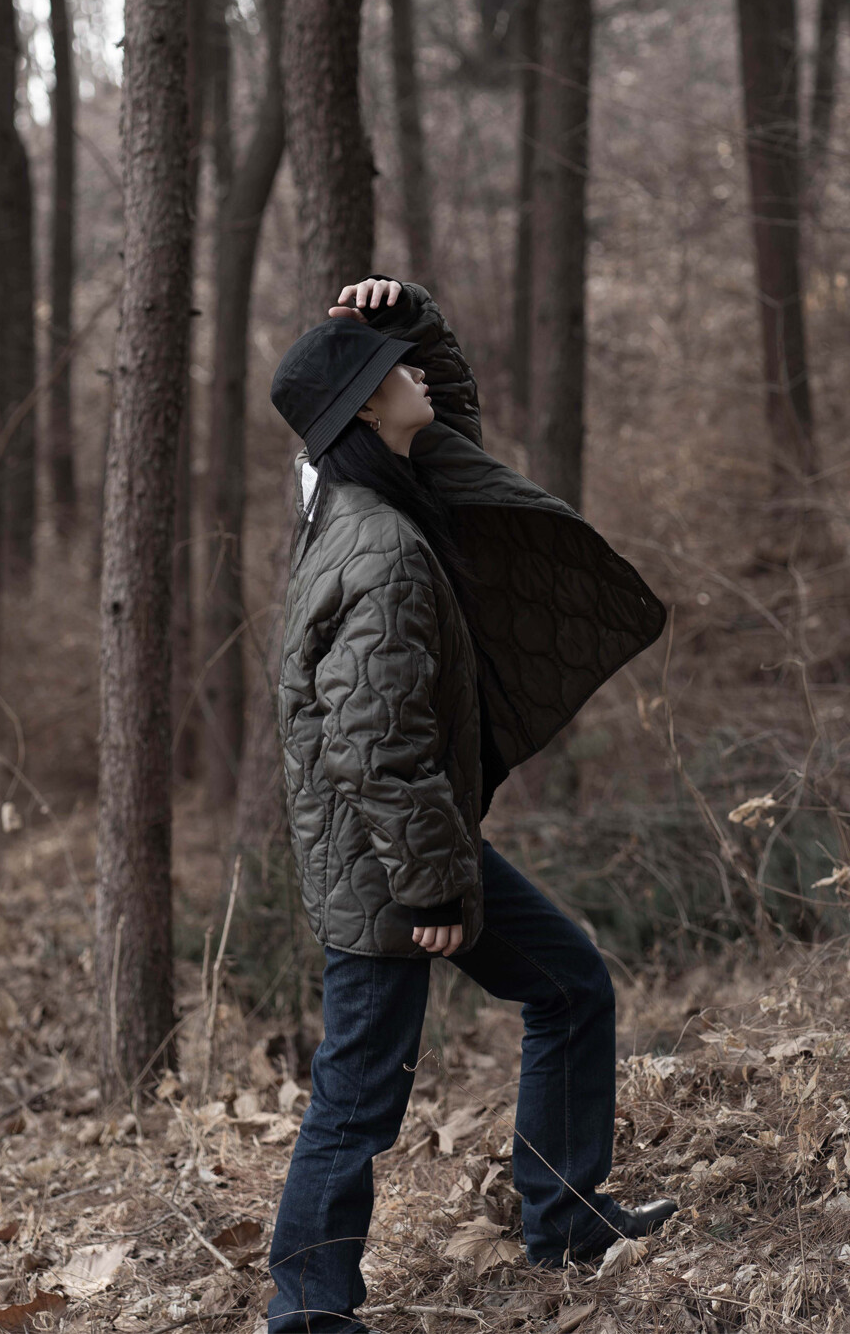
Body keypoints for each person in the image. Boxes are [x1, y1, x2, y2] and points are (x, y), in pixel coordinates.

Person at [266, 276, 677, 1332]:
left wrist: (406, 310)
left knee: (569, 983)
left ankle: (566, 1217)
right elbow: (378, 747)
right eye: (391, 367)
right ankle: (305, 1312)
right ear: (365, 407)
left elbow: (443, 406)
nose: (413, 373)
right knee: (357, 1097)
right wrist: (433, 886)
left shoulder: (377, 494)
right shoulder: (383, 550)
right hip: (390, 864)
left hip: (408, 844)